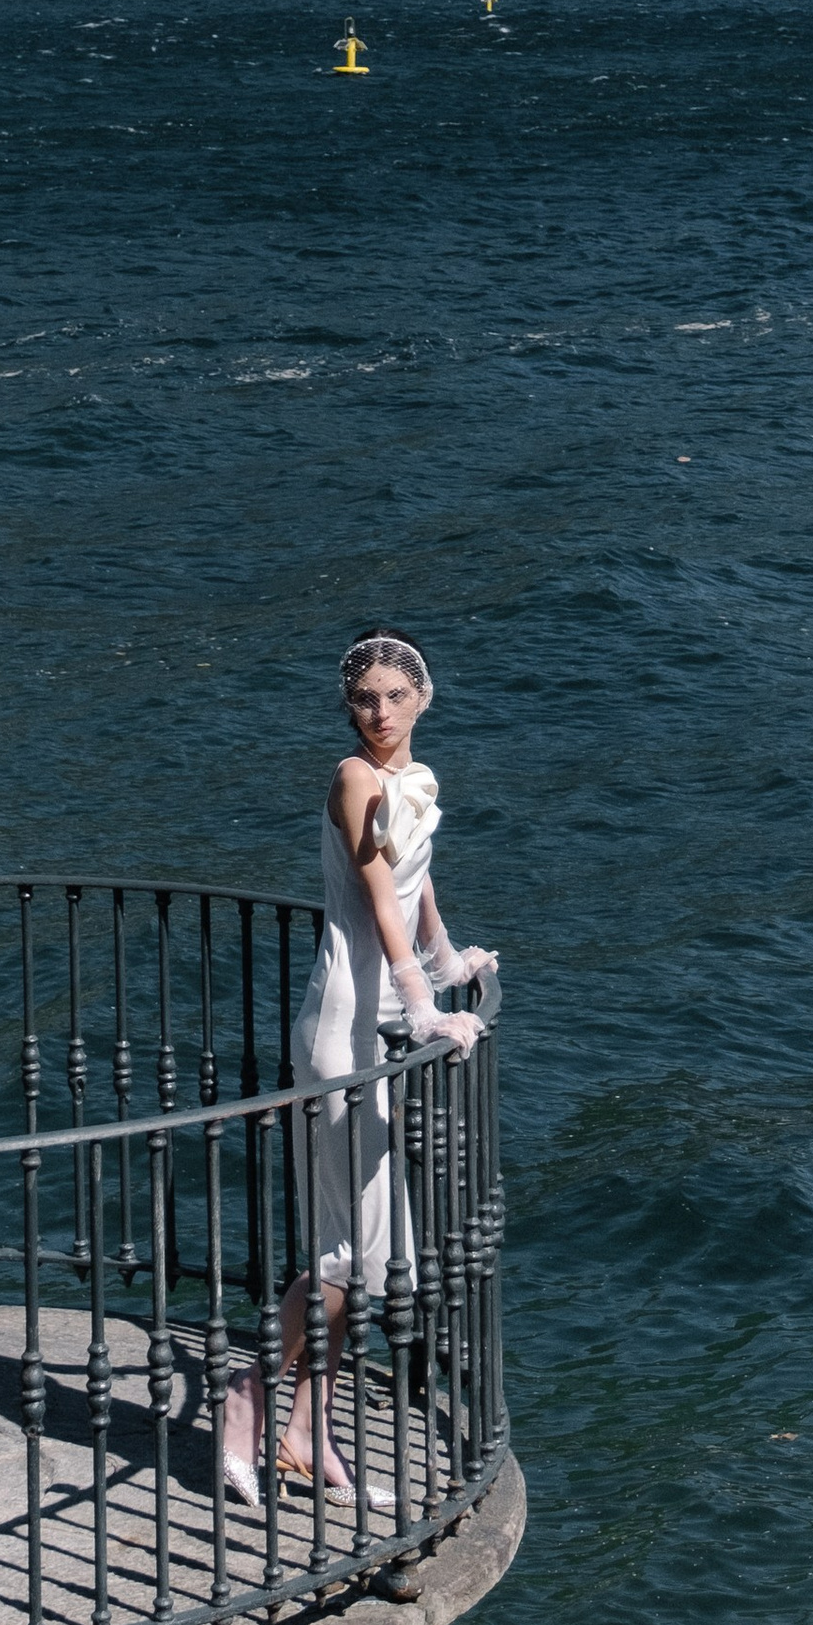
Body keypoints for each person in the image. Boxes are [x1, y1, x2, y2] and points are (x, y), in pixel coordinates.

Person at [221, 630, 496, 1508]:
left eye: (392, 697)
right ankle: (245, 1402)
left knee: (371, 1262)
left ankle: (305, 1435)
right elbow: (378, 897)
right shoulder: (354, 778)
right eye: (363, 698)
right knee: (344, 1258)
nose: (376, 712)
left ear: (423, 700)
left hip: (379, 1022)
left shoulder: (409, 783)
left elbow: (417, 889)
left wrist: (450, 965)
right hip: (346, 1025)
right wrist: (423, 1007)